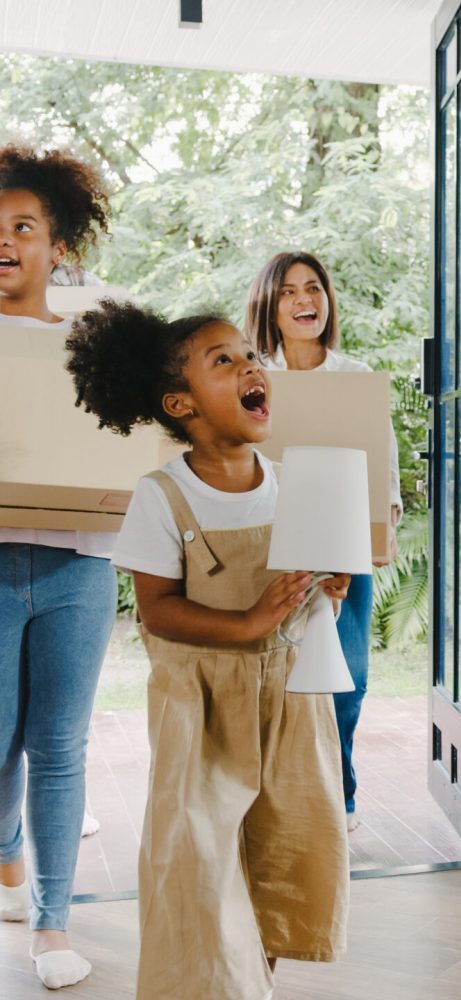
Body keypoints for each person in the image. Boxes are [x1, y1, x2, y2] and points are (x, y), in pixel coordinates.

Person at [65, 301, 351, 999]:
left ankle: (259, 984)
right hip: (201, 711)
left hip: (288, 705)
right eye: (223, 360)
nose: (251, 365)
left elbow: (309, 607)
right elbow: (159, 613)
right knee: (200, 862)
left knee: (282, 855)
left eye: (251, 355)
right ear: (180, 403)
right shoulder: (162, 497)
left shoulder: (293, 484)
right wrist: (250, 622)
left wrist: (328, 590)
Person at [0, 144, 114, 991]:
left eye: (23, 226)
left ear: (57, 245)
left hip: (80, 567)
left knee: (60, 747)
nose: (5, 241)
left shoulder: (92, 341)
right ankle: (6, 860)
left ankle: (51, 924)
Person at [245, 251, 402, 834]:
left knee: (347, 678)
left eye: (313, 288)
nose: (304, 300)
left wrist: (372, 544)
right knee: (277, 674)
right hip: (270, 545)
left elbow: (380, 469)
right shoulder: (251, 376)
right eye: (288, 291)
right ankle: (279, 795)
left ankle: (342, 792)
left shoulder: (356, 378)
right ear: (269, 303)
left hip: (343, 548)